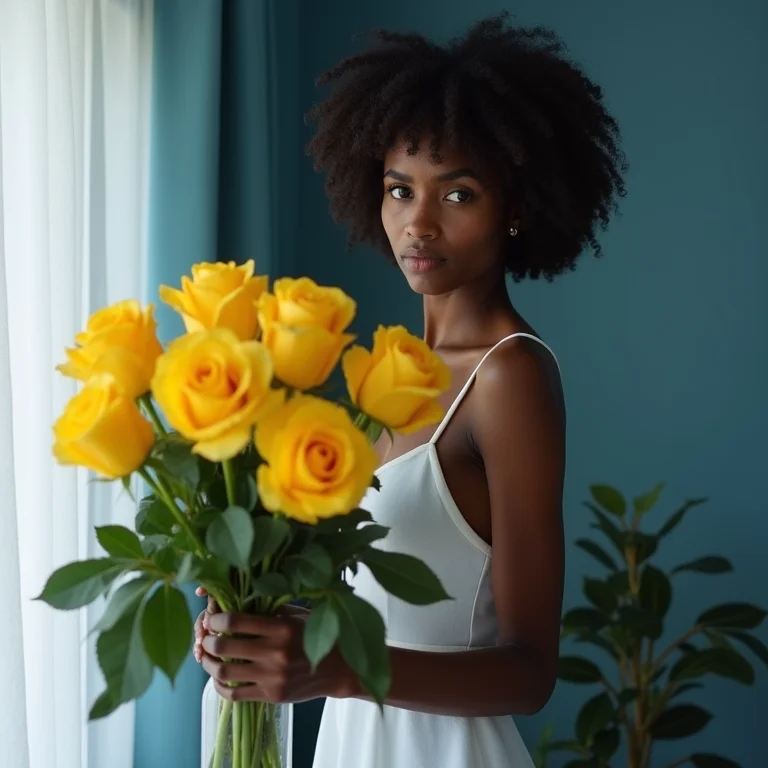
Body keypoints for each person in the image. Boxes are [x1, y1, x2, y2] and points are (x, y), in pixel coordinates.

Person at [194, 12, 626, 767]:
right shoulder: (387, 377)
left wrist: (336, 669)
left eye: (457, 195)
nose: (418, 224)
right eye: (401, 190)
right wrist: (258, 630)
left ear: (516, 208)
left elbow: (529, 672)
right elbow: (387, 607)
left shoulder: (511, 375)